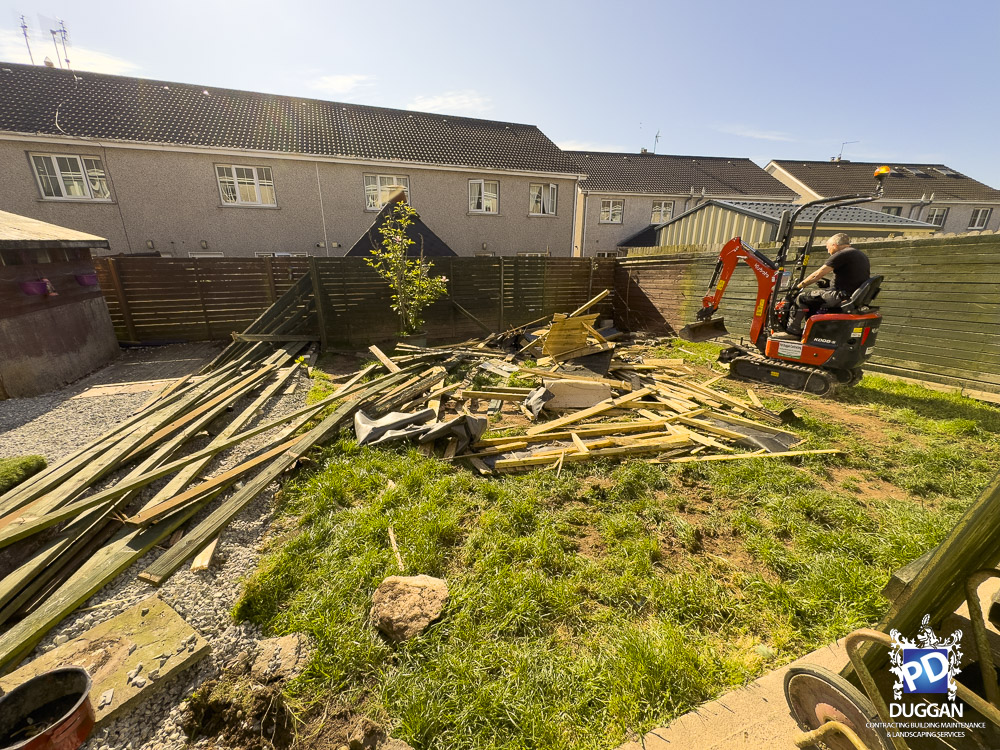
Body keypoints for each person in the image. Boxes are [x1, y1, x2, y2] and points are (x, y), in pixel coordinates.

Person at [787, 233, 870, 335]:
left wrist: (799, 286)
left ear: (834, 245)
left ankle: (792, 330)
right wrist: (827, 284)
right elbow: (850, 277)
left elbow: (817, 275)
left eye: (828, 248)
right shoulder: (859, 255)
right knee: (813, 300)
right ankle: (811, 331)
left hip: (840, 295)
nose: (828, 251)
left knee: (801, 298)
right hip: (851, 294)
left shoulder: (842, 254)